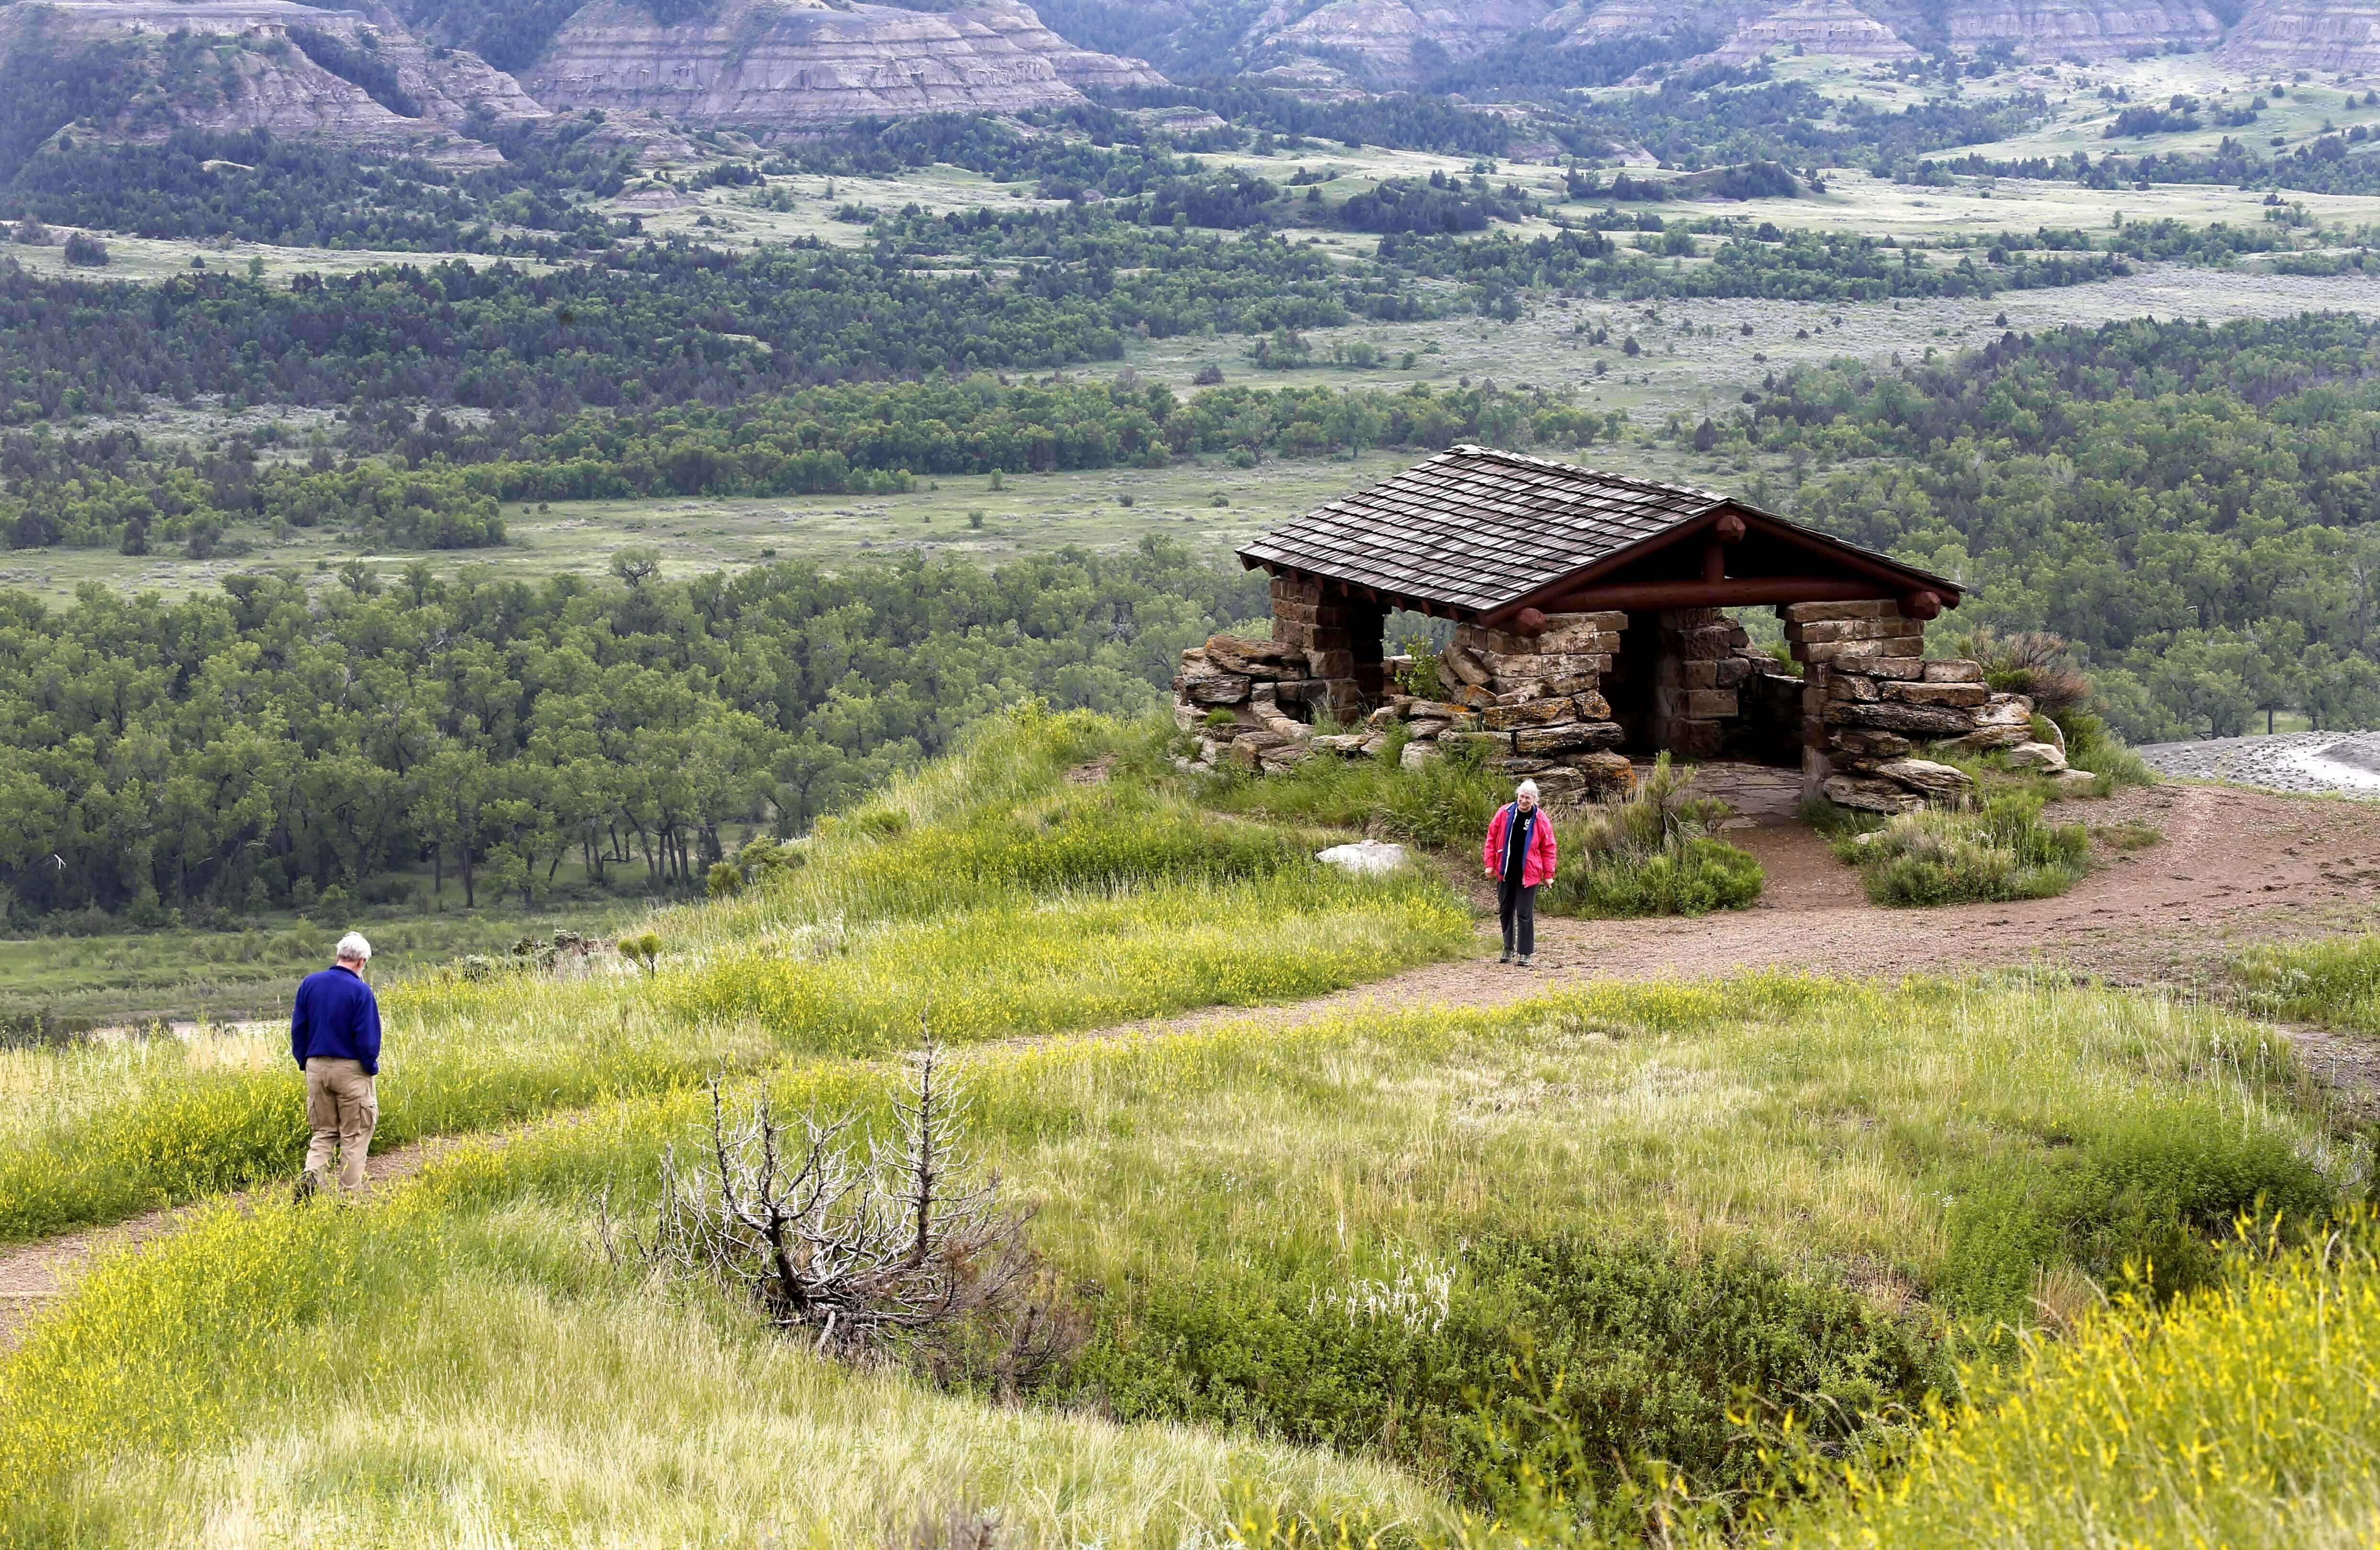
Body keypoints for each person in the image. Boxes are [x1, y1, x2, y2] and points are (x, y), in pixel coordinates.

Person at [291, 932, 382, 1199]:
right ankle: (347, 1202)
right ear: (362, 961)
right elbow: (368, 1038)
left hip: (316, 1067)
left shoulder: (310, 984)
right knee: (355, 1137)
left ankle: (311, 1176)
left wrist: (305, 1062)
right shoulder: (361, 992)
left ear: (339, 955)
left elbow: (299, 1029)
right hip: (351, 1070)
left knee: (324, 1132)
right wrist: (369, 1067)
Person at [1483, 779, 1557, 968]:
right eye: (1522, 797)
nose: (1524, 801)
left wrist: (1548, 874)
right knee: (1505, 911)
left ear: (1535, 799)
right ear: (1518, 796)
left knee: (1524, 914)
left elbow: (1549, 848)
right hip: (1506, 871)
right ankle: (1508, 948)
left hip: (1529, 874)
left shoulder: (1540, 820)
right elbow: (1491, 838)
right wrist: (1490, 864)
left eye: (1528, 798)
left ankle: (1525, 953)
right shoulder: (1505, 813)